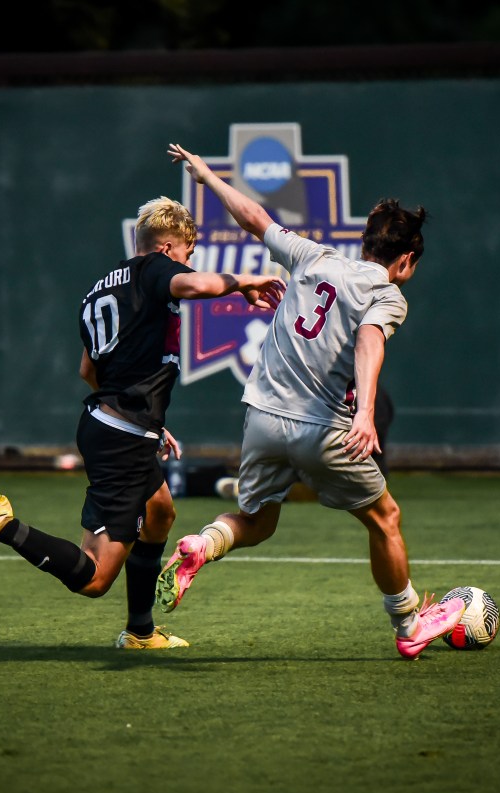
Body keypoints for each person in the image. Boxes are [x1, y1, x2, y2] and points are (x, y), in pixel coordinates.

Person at [155, 143, 464, 660]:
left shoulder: (313, 255)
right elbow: (370, 339)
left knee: (257, 520)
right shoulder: (387, 294)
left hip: (261, 418)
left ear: (365, 243)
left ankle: (202, 544)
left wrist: (207, 176)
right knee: (384, 518)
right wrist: (365, 411)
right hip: (321, 429)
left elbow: (255, 218)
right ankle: (409, 624)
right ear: (405, 260)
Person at [0, 196, 285, 649]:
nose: (187, 262)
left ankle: (140, 632)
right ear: (167, 247)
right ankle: (4, 525)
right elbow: (196, 287)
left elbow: (87, 369)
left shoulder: (99, 289)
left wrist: (142, 416)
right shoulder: (156, 268)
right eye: (187, 253)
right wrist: (246, 282)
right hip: (121, 435)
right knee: (95, 578)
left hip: (113, 423)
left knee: (160, 511)